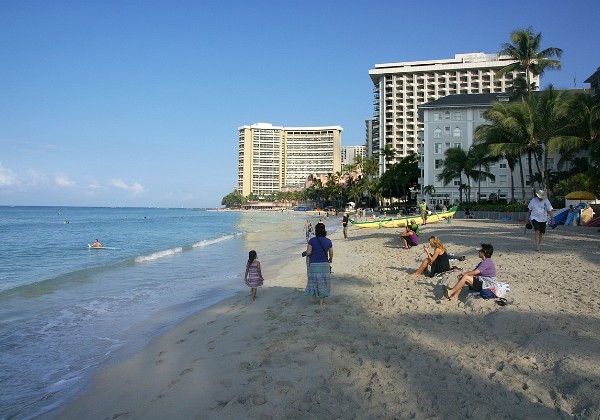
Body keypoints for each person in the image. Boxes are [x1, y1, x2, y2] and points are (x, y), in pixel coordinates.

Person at [303, 222, 333, 306]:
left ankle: (314, 296)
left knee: (314, 282)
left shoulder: (312, 240)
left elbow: (309, 252)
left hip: (314, 265)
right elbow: (331, 253)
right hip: (324, 265)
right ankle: (321, 301)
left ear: (316, 231)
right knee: (324, 282)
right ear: (324, 231)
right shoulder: (328, 241)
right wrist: (330, 259)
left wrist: (304, 253)